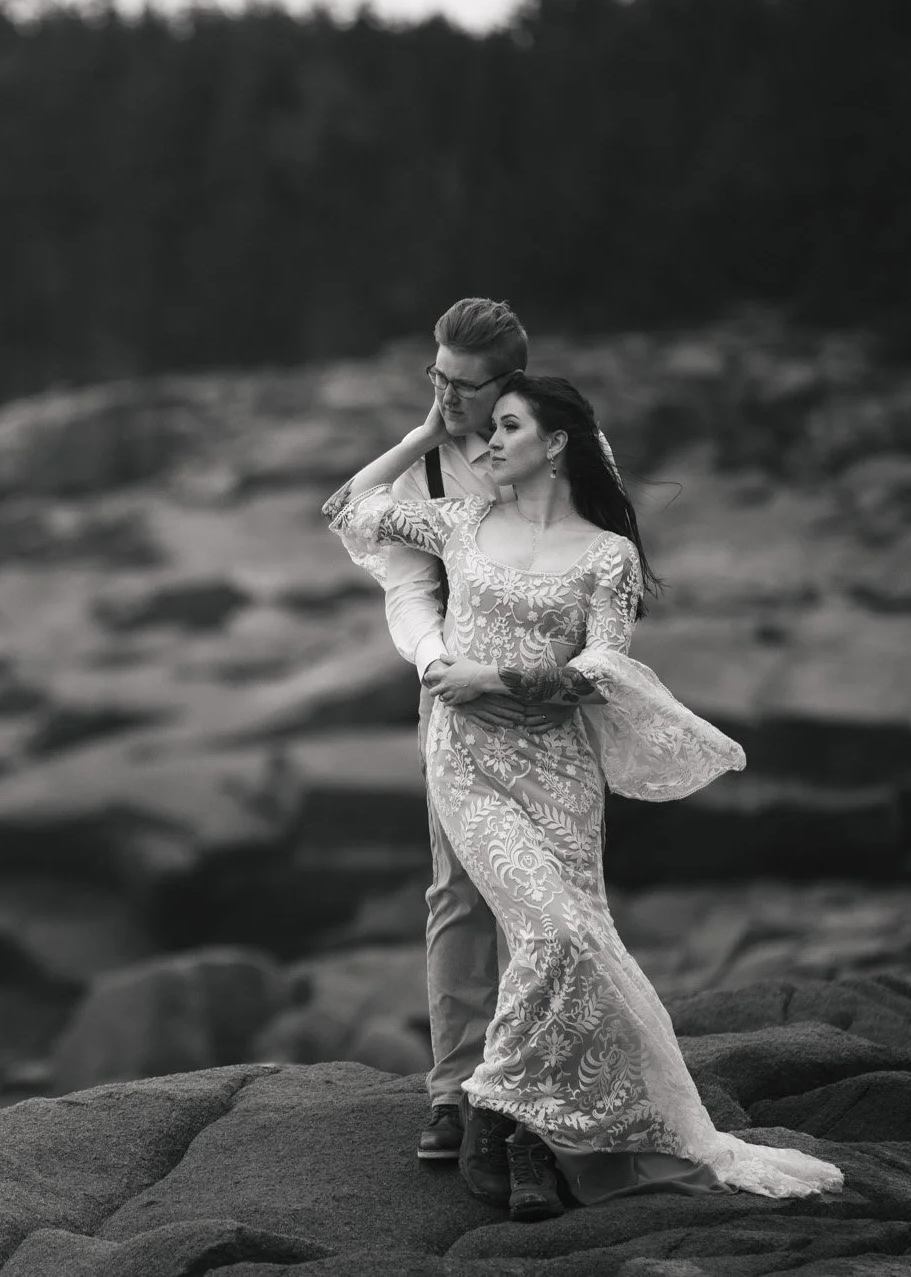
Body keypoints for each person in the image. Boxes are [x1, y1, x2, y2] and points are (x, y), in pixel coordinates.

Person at [321, 372, 844, 1221]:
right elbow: (347, 506)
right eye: (488, 429)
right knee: (554, 931)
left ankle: (521, 1126)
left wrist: (495, 674)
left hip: (561, 774)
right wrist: (424, 436)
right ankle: (499, 1112)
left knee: (570, 940)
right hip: (469, 761)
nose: (488, 443)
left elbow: (603, 670)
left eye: (508, 427)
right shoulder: (459, 520)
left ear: (556, 443)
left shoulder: (609, 555)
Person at [371, 299, 594, 1200]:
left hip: (551, 706)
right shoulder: (425, 466)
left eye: (463, 385)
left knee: (553, 900)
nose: (446, 395)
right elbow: (402, 586)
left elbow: (607, 562)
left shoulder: (569, 443)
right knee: (460, 892)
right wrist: (438, 664)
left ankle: (534, 1095)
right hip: (454, 698)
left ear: (511, 383)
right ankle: (456, 1092)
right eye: (436, 376)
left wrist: (551, 674)